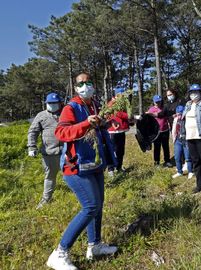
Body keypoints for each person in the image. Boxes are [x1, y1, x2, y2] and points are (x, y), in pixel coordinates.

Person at [48, 73, 117, 270]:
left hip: (94, 164)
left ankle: (94, 245)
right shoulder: (71, 108)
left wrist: (103, 123)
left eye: (88, 82)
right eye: (81, 83)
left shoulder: (94, 105)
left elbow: (99, 130)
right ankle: (59, 253)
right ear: (75, 87)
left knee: (98, 206)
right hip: (76, 167)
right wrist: (87, 123)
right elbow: (62, 133)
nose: (85, 86)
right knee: (90, 207)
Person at [27, 92, 63, 209]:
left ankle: (81, 196)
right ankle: (46, 199)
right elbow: (33, 132)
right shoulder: (41, 115)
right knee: (50, 176)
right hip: (49, 152)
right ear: (46, 104)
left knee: (74, 176)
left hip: (67, 152)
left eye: (55, 103)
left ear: (60, 103)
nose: (52, 105)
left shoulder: (66, 113)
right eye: (50, 103)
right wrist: (32, 146)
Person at [106, 86, 130, 176]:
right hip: (113, 132)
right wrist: (129, 116)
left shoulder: (123, 103)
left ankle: (119, 167)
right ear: (117, 95)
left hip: (121, 130)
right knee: (112, 150)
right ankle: (110, 169)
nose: (124, 97)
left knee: (121, 150)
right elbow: (117, 113)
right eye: (122, 95)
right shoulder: (112, 103)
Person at [147, 95, 173, 168]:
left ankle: (167, 161)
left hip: (165, 130)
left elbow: (168, 117)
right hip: (156, 132)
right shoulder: (151, 110)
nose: (158, 103)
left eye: (159, 102)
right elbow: (148, 121)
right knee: (157, 147)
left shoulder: (164, 108)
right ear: (154, 102)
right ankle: (157, 162)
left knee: (166, 146)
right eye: (156, 102)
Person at [171, 105, 194, 179]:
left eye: (180, 114)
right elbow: (174, 130)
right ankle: (179, 172)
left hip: (186, 139)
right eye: (177, 114)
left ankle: (190, 171)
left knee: (188, 157)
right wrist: (174, 139)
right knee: (177, 157)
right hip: (178, 140)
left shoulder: (187, 119)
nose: (179, 116)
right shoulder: (175, 119)